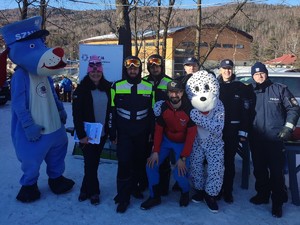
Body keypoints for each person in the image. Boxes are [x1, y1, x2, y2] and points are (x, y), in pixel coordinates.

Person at [249, 62, 300, 218]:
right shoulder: (250, 91)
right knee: (259, 170)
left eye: (262, 73)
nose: (260, 76)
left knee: (277, 173)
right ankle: (262, 195)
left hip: (275, 139)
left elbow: (294, 108)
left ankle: (277, 202)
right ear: (252, 76)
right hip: (256, 138)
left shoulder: (280, 89)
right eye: (256, 74)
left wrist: (288, 128)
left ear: (266, 73)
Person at [140, 80, 197, 210]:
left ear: (182, 93)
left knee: (179, 172)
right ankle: (154, 196)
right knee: (151, 165)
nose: (174, 95)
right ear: (168, 93)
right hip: (166, 140)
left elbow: (191, 136)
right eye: (171, 92)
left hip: (182, 143)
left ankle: (185, 191)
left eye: (177, 92)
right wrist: (155, 151)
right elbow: (159, 130)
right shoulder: (164, 107)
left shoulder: (190, 110)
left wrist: (183, 158)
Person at [109, 56, 155, 213]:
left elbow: (152, 113)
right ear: (126, 69)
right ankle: (122, 198)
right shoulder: (116, 86)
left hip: (142, 132)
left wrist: (152, 132)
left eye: (135, 67)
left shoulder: (148, 86)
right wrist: (112, 132)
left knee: (138, 163)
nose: (133, 70)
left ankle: (134, 188)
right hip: (124, 133)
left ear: (140, 69)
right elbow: (112, 111)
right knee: (123, 164)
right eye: (130, 68)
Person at [72, 55, 111, 205]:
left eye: (98, 71)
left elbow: (111, 111)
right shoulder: (81, 90)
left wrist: (110, 131)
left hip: (101, 134)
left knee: (93, 163)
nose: (96, 74)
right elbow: (76, 114)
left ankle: (84, 188)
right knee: (89, 163)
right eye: (93, 71)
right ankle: (94, 192)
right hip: (87, 135)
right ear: (88, 72)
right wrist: (81, 135)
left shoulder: (108, 88)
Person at [217, 59, 252, 203]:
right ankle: (216, 189)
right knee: (216, 163)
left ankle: (228, 191)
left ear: (233, 69)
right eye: (224, 68)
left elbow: (246, 111)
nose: (227, 71)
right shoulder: (214, 85)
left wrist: (243, 131)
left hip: (232, 131)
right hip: (216, 131)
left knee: (229, 162)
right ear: (220, 70)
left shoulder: (240, 87)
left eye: (229, 68)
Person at [143, 54, 173, 196]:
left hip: (164, 126)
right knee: (145, 155)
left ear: (161, 66)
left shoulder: (169, 83)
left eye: (157, 66)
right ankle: (145, 183)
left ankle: (163, 187)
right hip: (146, 124)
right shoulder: (143, 82)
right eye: (152, 66)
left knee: (163, 158)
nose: (155, 68)